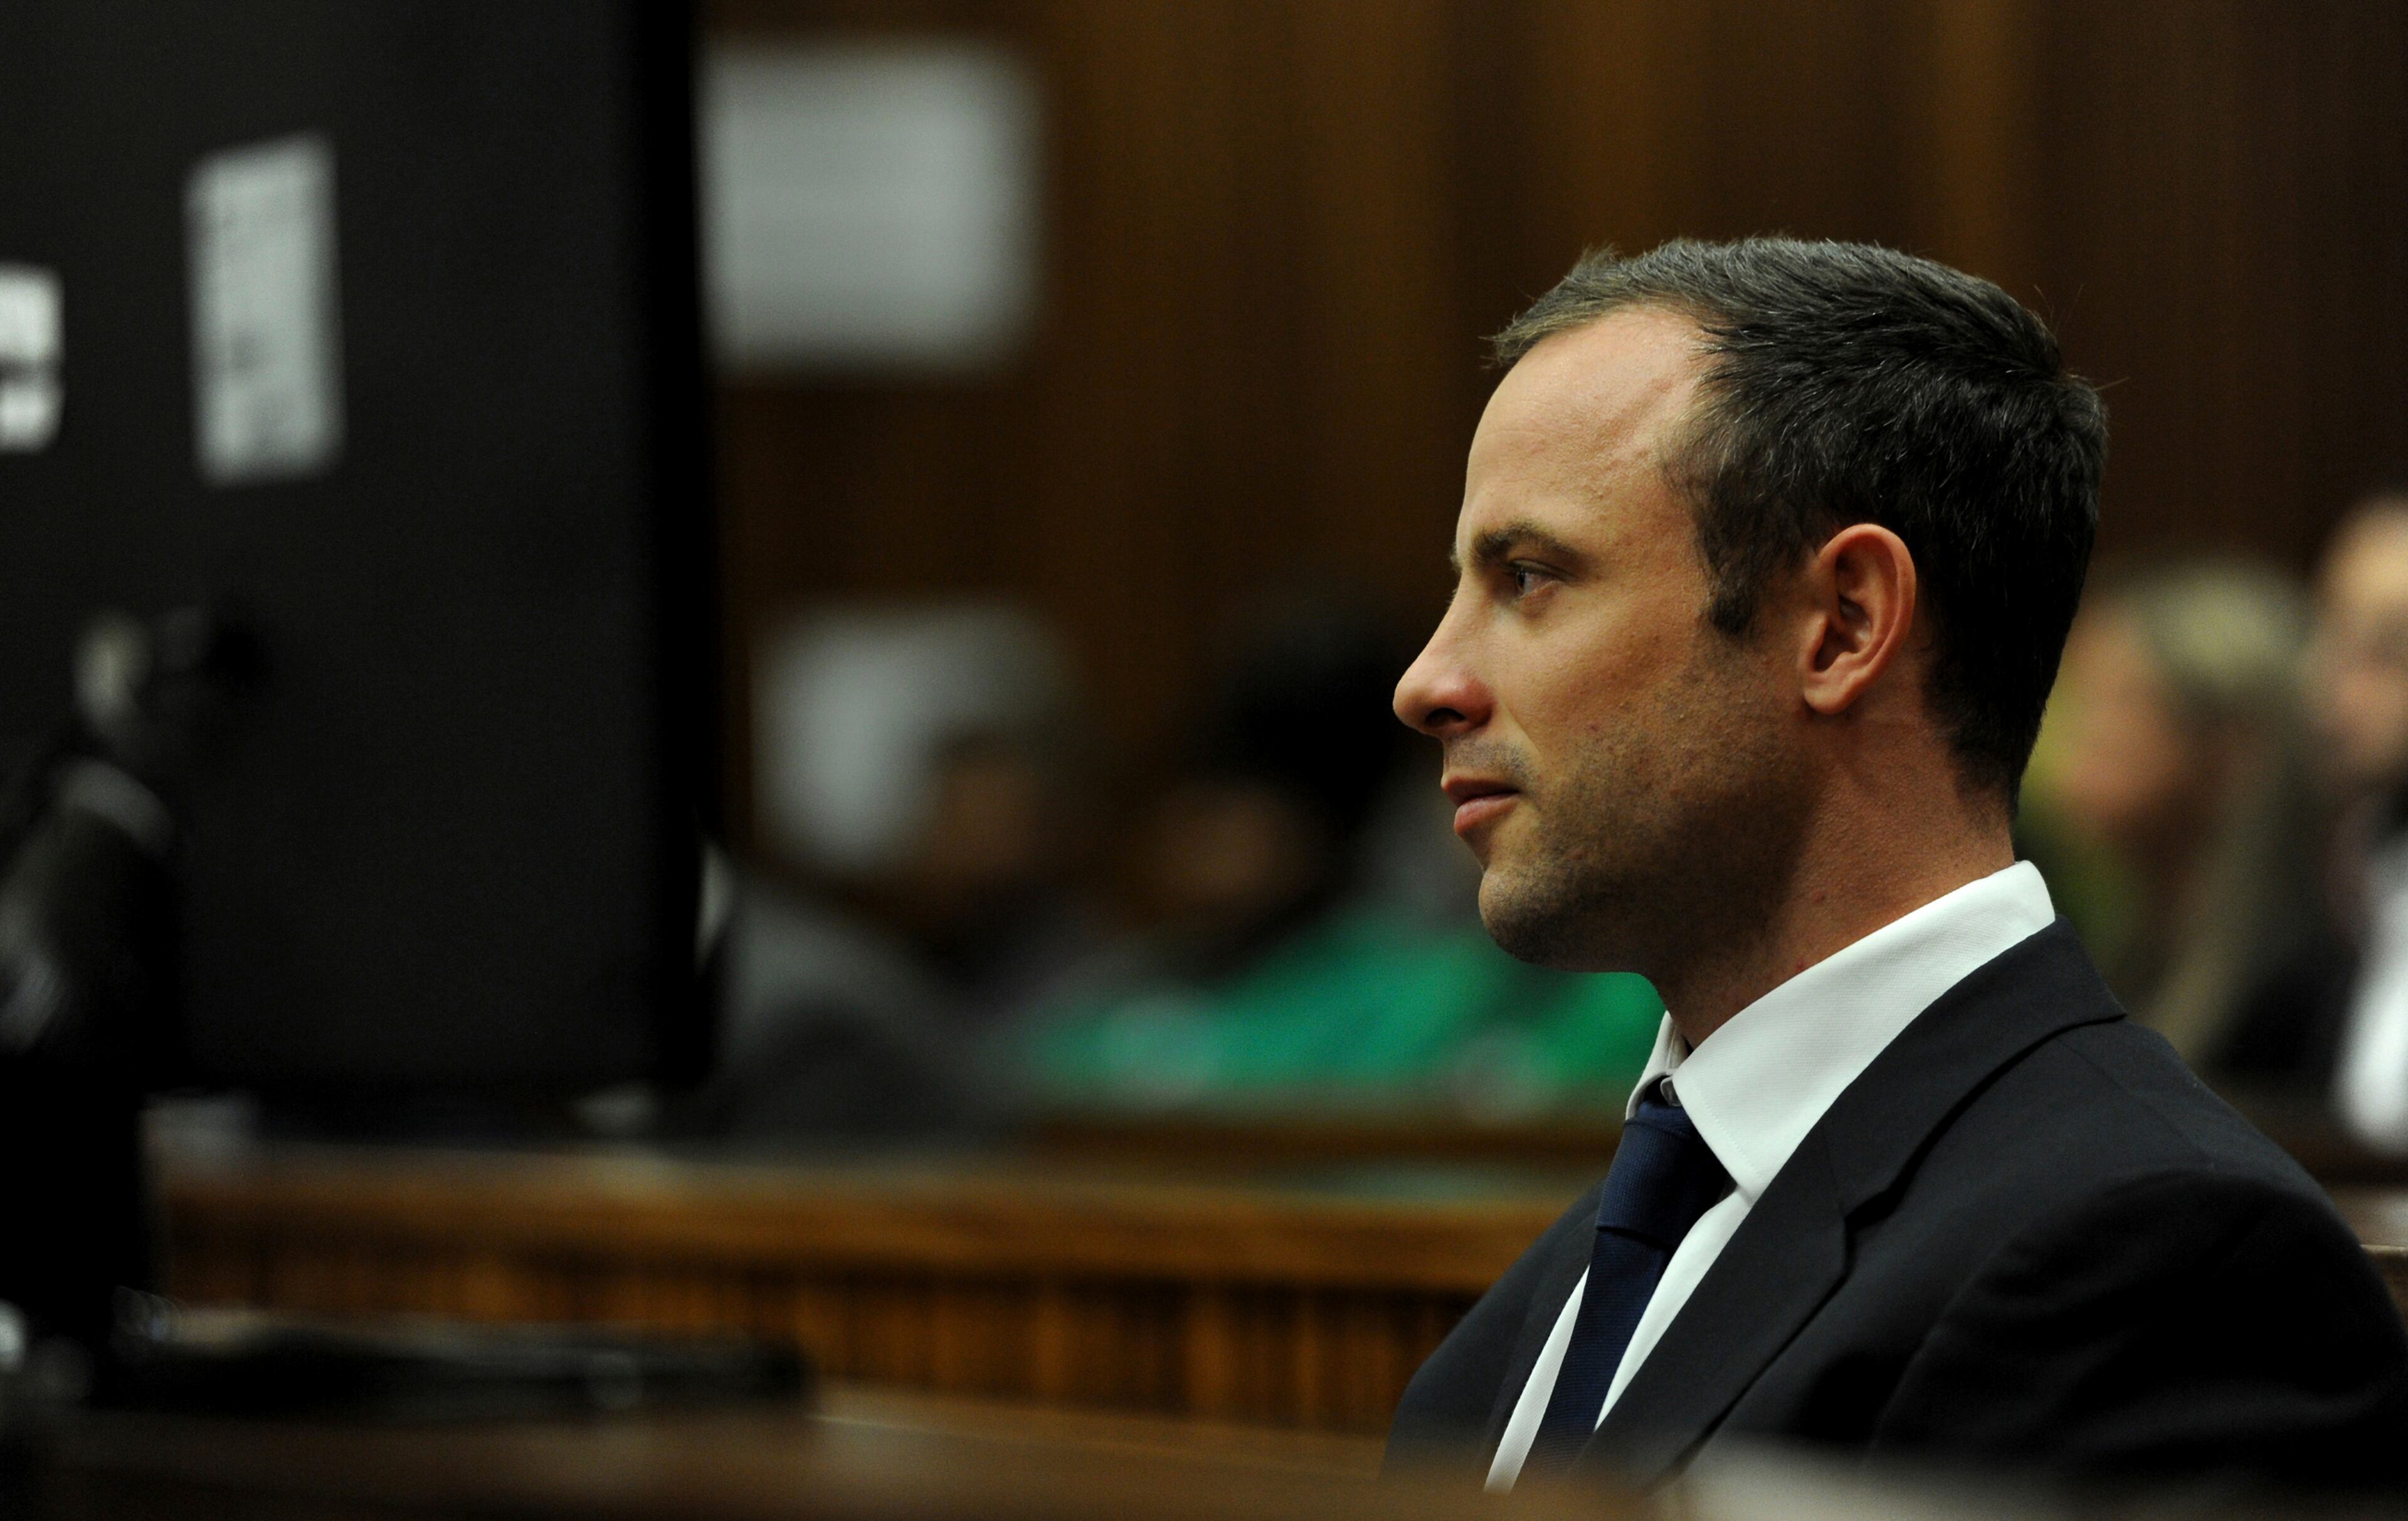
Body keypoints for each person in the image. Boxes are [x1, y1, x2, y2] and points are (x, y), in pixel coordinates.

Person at [1382, 238, 2408, 1490]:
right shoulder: (1560, 1291)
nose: (1429, 680)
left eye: (1529, 577)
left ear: (1845, 623)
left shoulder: (2162, 1258)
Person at [2025, 562, 2320, 1070]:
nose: (2078, 737)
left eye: (2117, 700)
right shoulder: (2128, 940)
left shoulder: (2295, 982)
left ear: (2232, 747)